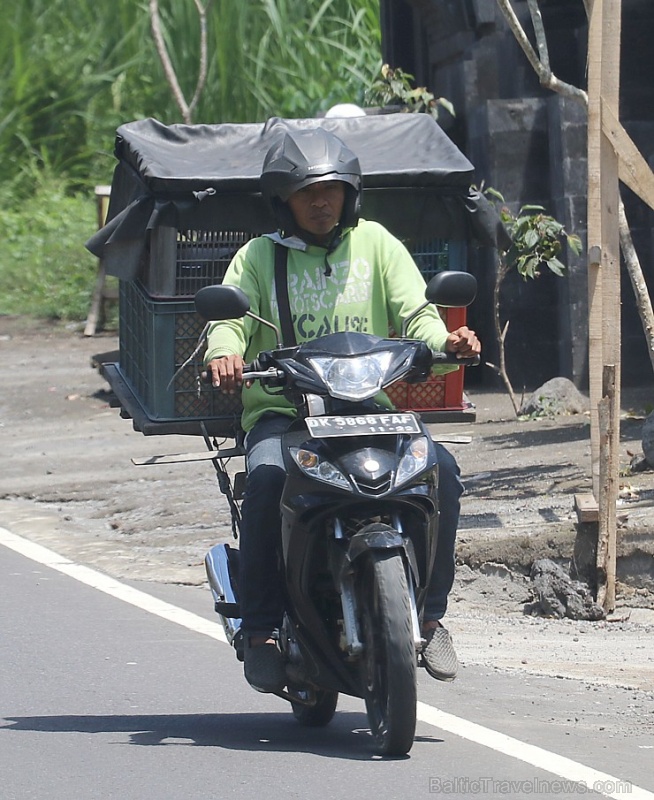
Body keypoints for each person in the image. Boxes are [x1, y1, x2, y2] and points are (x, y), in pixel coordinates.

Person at [205, 127, 480, 693]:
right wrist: (226, 351)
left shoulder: (377, 244)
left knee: (443, 473)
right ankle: (259, 631)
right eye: (307, 193)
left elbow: (419, 312)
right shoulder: (258, 257)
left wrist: (447, 342)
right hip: (284, 414)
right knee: (267, 479)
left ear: (350, 194)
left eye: (331, 190)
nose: (321, 202)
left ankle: (431, 616)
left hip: (367, 408)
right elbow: (228, 319)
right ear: (283, 200)